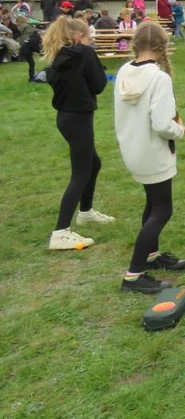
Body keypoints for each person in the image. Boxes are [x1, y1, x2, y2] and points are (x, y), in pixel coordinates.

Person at [114, 23, 185, 294]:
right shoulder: (159, 78)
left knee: (153, 203)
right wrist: (179, 129)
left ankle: (151, 255)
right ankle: (133, 276)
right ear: (162, 46)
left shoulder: (124, 71)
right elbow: (161, 123)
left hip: (134, 148)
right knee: (162, 209)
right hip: (153, 151)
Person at [43, 16, 113, 251]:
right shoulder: (83, 53)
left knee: (94, 163)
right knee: (81, 173)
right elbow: (99, 85)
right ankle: (60, 232)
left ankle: (86, 212)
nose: (89, 40)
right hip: (78, 117)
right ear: (78, 36)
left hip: (66, 116)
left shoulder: (58, 55)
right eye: (88, 36)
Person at [16, 16, 42, 82]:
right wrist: (40, 52)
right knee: (32, 64)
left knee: (32, 64)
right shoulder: (34, 37)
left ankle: (32, 78)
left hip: (25, 49)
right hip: (25, 51)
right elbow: (35, 48)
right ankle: (31, 79)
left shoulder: (34, 36)